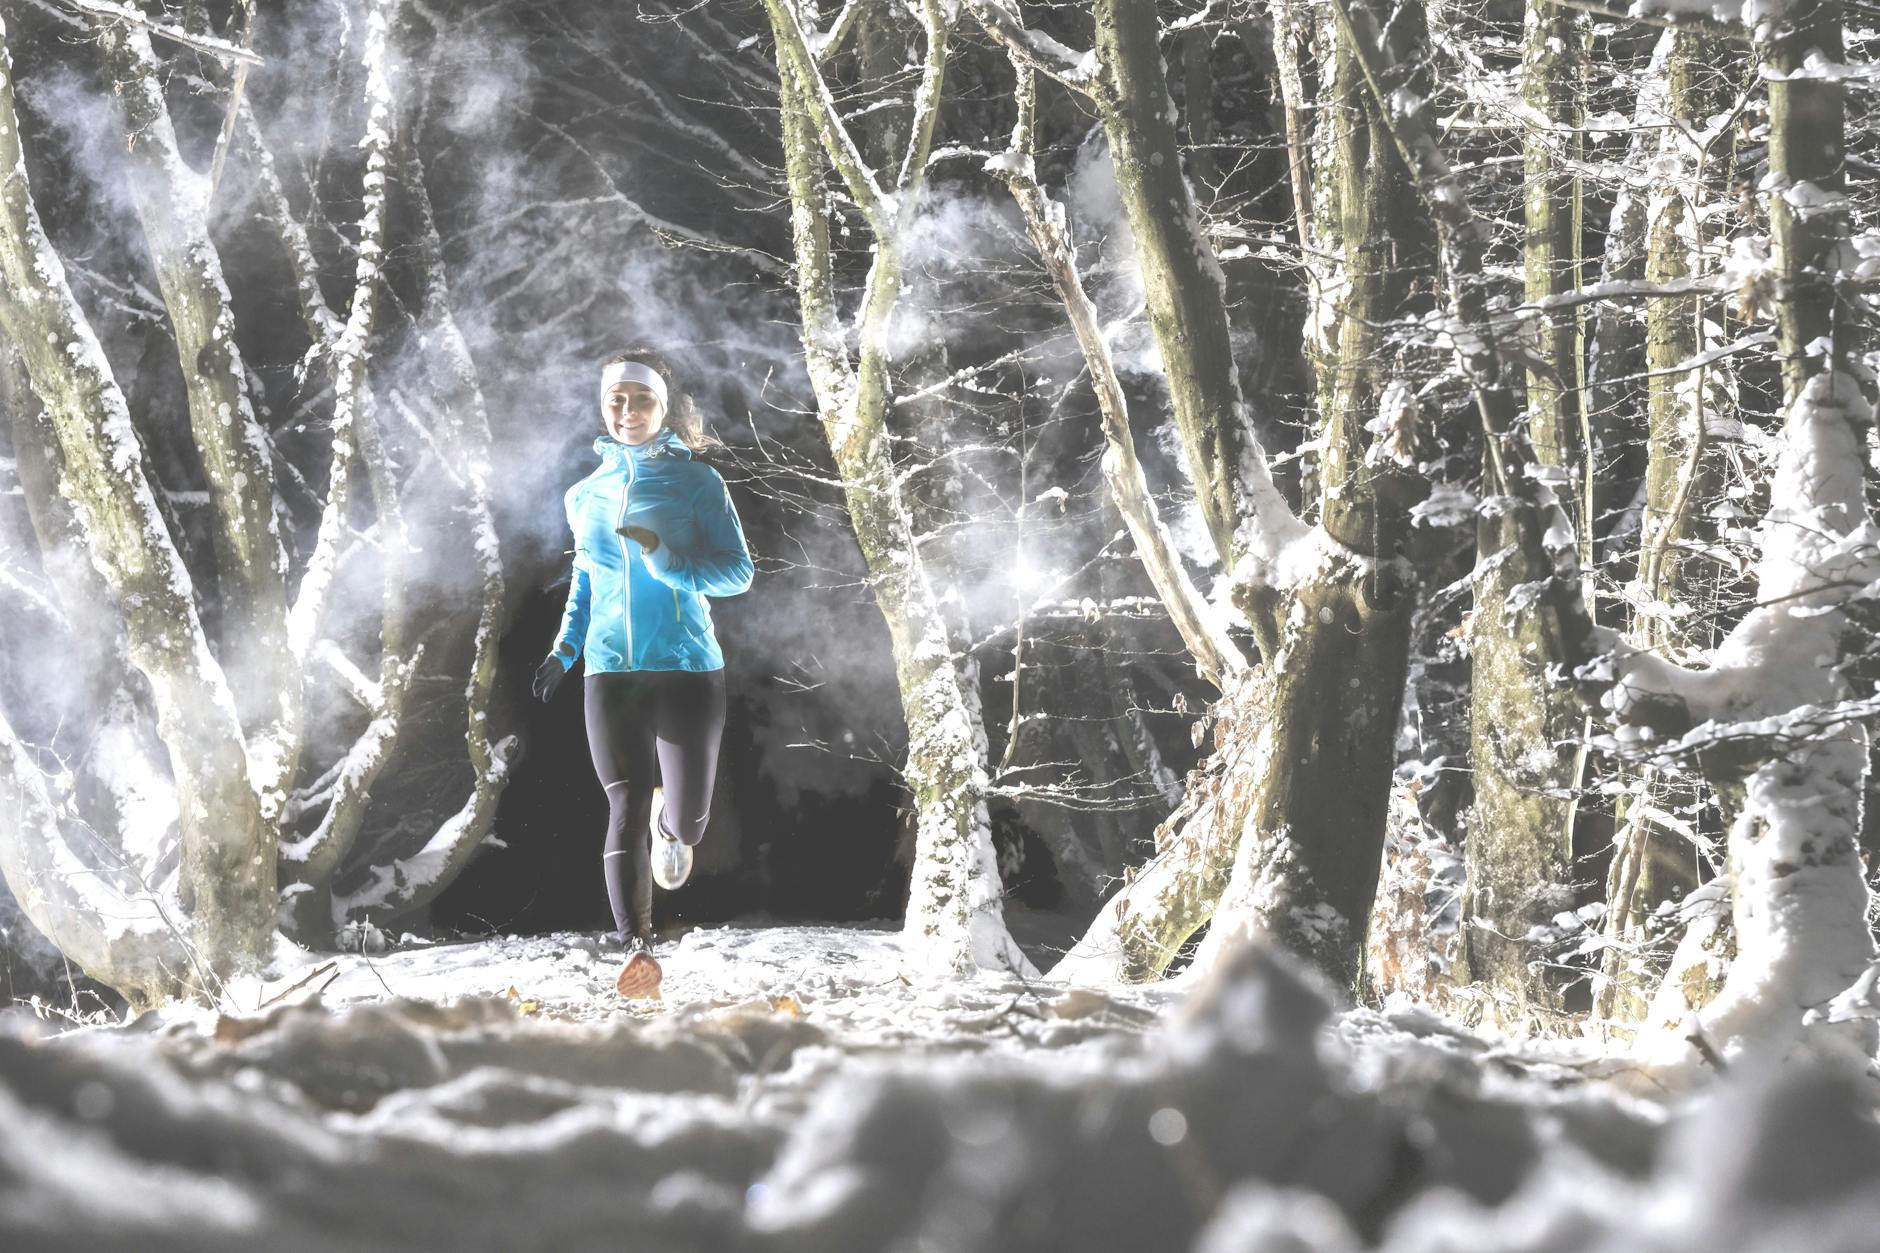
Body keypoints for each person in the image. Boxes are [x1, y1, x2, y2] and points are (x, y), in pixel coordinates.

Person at [531, 347, 754, 1000]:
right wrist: (562, 652)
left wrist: (672, 565)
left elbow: (738, 571)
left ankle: (672, 827)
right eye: (616, 400)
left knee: (688, 820)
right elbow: (585, 580)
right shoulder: (585, 495)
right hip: (610, 672)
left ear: (665, 408)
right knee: (622, 799)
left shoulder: (697, 485)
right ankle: (637, 948)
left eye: (642, 400)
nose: (627, 411)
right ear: (604, 407)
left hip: (687, 667)